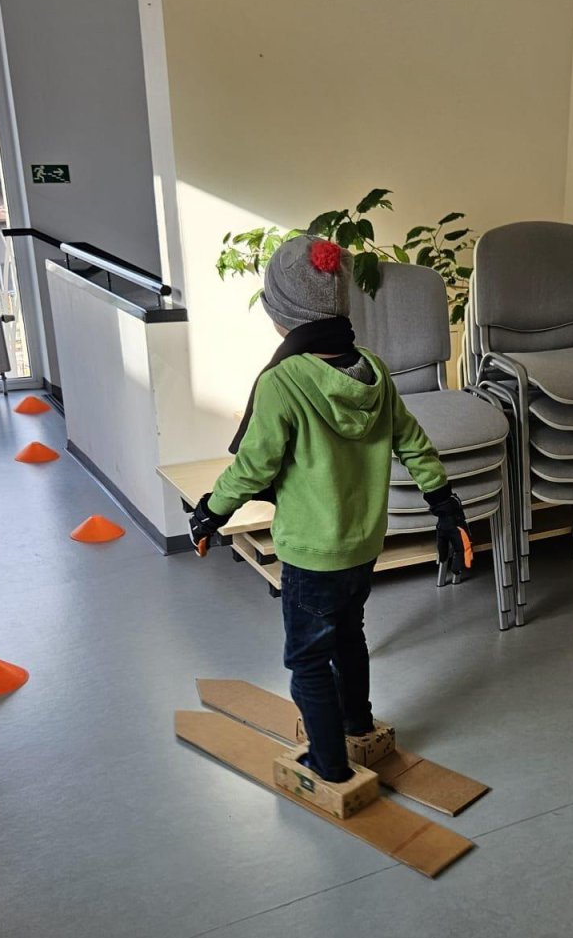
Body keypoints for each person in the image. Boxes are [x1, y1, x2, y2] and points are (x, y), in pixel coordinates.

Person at [188, 235, 471, 784]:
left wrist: (210, 512)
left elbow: (253, 468)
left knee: (307, 660)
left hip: (312, 554)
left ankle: (329, 765)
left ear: (282, 316)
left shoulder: (283, 382)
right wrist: (444, 503)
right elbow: (413, 443)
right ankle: (357, 724)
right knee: (348, 636)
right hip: (363, 545)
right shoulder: (374, 370)